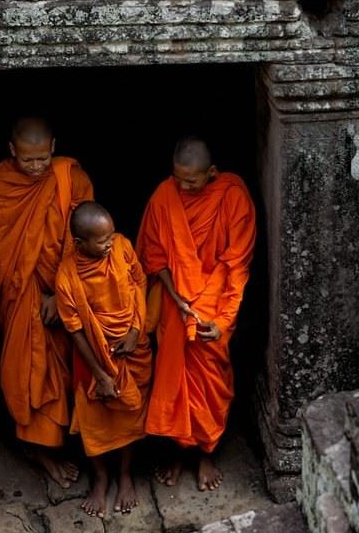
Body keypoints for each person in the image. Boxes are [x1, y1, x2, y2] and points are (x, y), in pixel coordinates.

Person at [136, 136, 256, 491]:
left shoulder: (233, 198)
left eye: (192, 181)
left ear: (212, 173)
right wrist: (176, 296)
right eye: (178, 179)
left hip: (215, 303)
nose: (184, 187)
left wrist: (223, 321)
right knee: (172, 378)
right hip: (176, 303)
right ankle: (176, 451)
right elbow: (154, 257)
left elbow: (238, 264)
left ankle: (206, 453)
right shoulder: (164, 195)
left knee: (211, 382)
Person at [0, 117, 93, 488]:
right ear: (12, 151)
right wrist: (34, 293)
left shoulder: (70, 177)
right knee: (28, 366)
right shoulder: (0, 185)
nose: (36, 167)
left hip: (63, 290)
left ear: (54, 147)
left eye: (42, 158)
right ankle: (38, 449)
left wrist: (59, 296)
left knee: (67, 366)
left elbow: (87, 238)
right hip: (22, 292)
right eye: (27, 160)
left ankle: (68, 440)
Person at [55, 201, 151, 518]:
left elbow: (139, 282)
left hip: (130, 349)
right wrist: (100, 373)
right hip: (93, 360)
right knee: (93, 420)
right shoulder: (67, 275)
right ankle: (100, 477)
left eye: (111, 235)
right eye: (102, 240)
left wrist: (136, 329)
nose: (110, 242)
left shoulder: (122, 246)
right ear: (79, 243)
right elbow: (75, 330)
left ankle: (124, 475)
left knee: (128, 415)